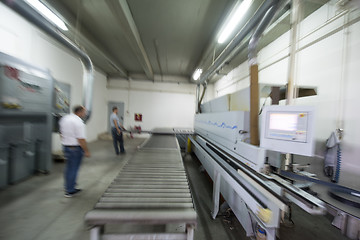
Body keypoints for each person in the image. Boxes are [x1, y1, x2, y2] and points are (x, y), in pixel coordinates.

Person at [59, 105, 90, 198]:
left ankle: (68, 186)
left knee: (69, 168)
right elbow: (81, 139)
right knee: (74, 169)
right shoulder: (78, 122)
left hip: (66, 147)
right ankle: (69, 191)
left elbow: (61, 133)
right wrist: (86, 151)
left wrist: (65, 142)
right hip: (75, 149)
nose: (85, 114)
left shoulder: (64, 119)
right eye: (84, 112)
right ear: (79, 112)